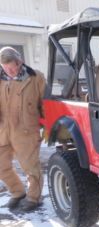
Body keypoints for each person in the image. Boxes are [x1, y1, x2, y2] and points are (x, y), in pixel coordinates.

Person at [0, 47, 46, 211]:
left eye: (12, 68)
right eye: (5, 69)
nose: (10, 72)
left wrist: (48, 126)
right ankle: (17, 192)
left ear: (20, 62)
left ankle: (34, 197)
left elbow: (45, 104)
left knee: (30, 167)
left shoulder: (36, 78)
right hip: (3, 130)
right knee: (2, 166)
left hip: (26, 131)